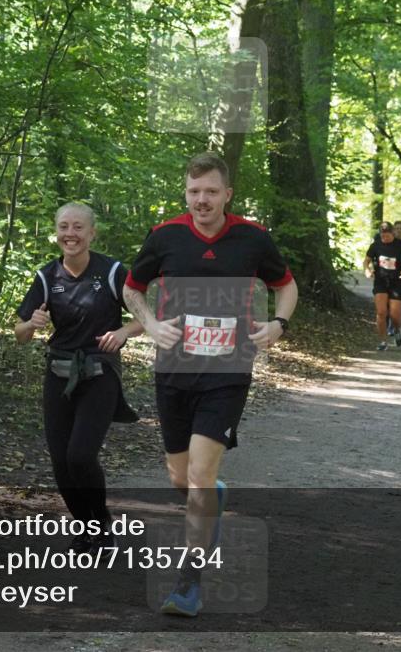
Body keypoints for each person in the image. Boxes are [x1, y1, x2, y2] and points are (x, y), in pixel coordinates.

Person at [123, 153, 298, 617]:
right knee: (182, 478)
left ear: (227, 194)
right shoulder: (164, 236)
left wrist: (279, 323)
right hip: (174, 371)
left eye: (211, 192)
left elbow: (286, 284)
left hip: (227, 371)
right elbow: (131, 287)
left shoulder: (252, 238)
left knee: (199, 477)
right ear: (186, 193)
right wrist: (151, 324)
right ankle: (211, 496)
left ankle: (188, 583)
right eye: (194, 192)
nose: (202, 200)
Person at [15, 203, 143, 553]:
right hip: (58, 374)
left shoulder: (113, 271)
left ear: (92, 233)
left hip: (100, 373)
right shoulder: (47, 276)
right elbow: (20, 331)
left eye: (78, 228)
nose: (70, 234)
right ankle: (84, 526)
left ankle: (102, 527)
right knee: (60, 460)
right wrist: (31, 325)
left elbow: (148, 316)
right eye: (63, 227)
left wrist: (123, 332)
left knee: (80, 456)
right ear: (56, 232)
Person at [364, 221, 401, 350]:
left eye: (387, 236)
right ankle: (383, 341)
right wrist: (367, 270)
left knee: (394, 314)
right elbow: (366, 260)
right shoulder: (376, 245)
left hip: (397, 281)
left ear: (392, 233)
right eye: (382, 236)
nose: (385, 238)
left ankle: (397, 330)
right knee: (381, 313)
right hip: (381, 281)